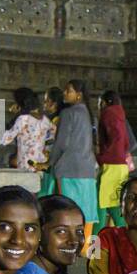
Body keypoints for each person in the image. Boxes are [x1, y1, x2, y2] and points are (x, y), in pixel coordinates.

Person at [48, 79, 98, 246]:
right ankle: (86, 246)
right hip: (87, 168)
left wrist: (50, 162)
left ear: (79, 95)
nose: (64, 93)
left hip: (68, 168)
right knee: (86, 209)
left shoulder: (68, 113)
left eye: (68, 90)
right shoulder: (89, 115)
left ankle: (67, 244)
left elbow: (62, 143)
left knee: (66, 209)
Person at [95, 91, 132, 229]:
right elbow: (127, 142)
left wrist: (101, 157)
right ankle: (127, 243)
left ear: (105, 102)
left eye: (100, 102)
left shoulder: (108, 113)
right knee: (114, 205)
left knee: (99, 206)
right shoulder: (120, 114)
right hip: (121, 166)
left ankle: (94, 248)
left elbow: (115, 137)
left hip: (110, 165)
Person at [1, 87, 52, 175]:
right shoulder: (45, 120)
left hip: (26, 165)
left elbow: (5, 140)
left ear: (20, 104)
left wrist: (14, 117)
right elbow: (53, 136)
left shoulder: (22, 120)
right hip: (41, 164)